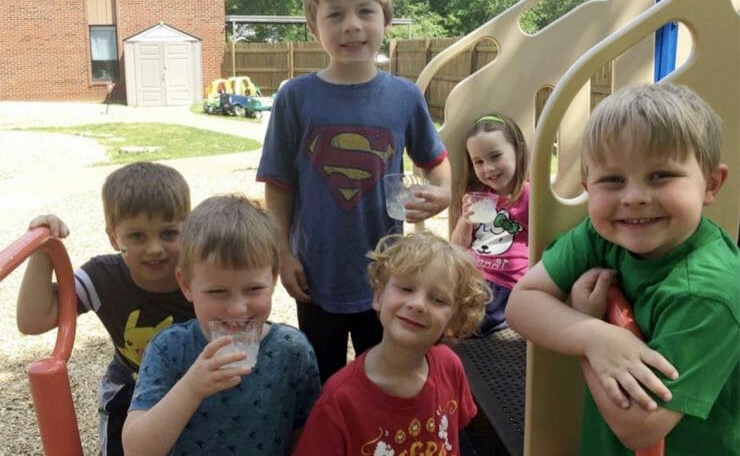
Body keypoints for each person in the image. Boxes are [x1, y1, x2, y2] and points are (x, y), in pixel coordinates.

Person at [506, 83, 739, 455]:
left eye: (660, 175)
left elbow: (640, 427)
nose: (634, 197)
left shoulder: (708, 293)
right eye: (612, 180)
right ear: (588, 186)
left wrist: (588, 331)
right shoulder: (605, 233)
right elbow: (522, 303)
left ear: (711, 184)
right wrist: (593, 336)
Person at [257, 0, 452, 383]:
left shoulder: (405, 96)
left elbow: (436, 163)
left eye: (365, 11)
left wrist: (443, 193)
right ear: (314, 27)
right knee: (321, 379)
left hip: (387, 275)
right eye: (335, 14)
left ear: (386, 19)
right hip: (315, 273)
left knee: (385, 376)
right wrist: (283, 255)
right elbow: (279, 186)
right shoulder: (295, 97)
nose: (352, 25)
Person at [15, 161, 194, 456]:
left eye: (168, 233)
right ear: (114, 238)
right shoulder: (105, 277)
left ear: (188, 230)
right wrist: (44, 250)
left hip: (195, 387)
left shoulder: (202, 274)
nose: (154, 248)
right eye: (137, 236)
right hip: (130, 391)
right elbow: (33, 320)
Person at [122, 194, 321, 455]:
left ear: (273, 279)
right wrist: (191, 388)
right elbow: (136, 450)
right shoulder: (169, 349)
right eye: (217, 292)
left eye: (253, 289)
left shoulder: (292, 351)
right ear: (186, 285)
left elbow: (306, 436)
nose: (238, 308)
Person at [293, 230, 488, 454]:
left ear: (454, 321)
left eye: (438, 299)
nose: (418, 304)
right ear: (378, 296)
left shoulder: (450, 367)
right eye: (406, 288)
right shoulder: (339, 401)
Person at [450, 114, 529, 334]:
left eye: (495, 156)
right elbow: (457, 247)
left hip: (505, 284)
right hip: (472, 278)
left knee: (464, 319)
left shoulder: (528, 196)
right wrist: (465, 220)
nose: (488, 168)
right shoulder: (478, 196)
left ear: (517, 151)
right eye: (479, 162)